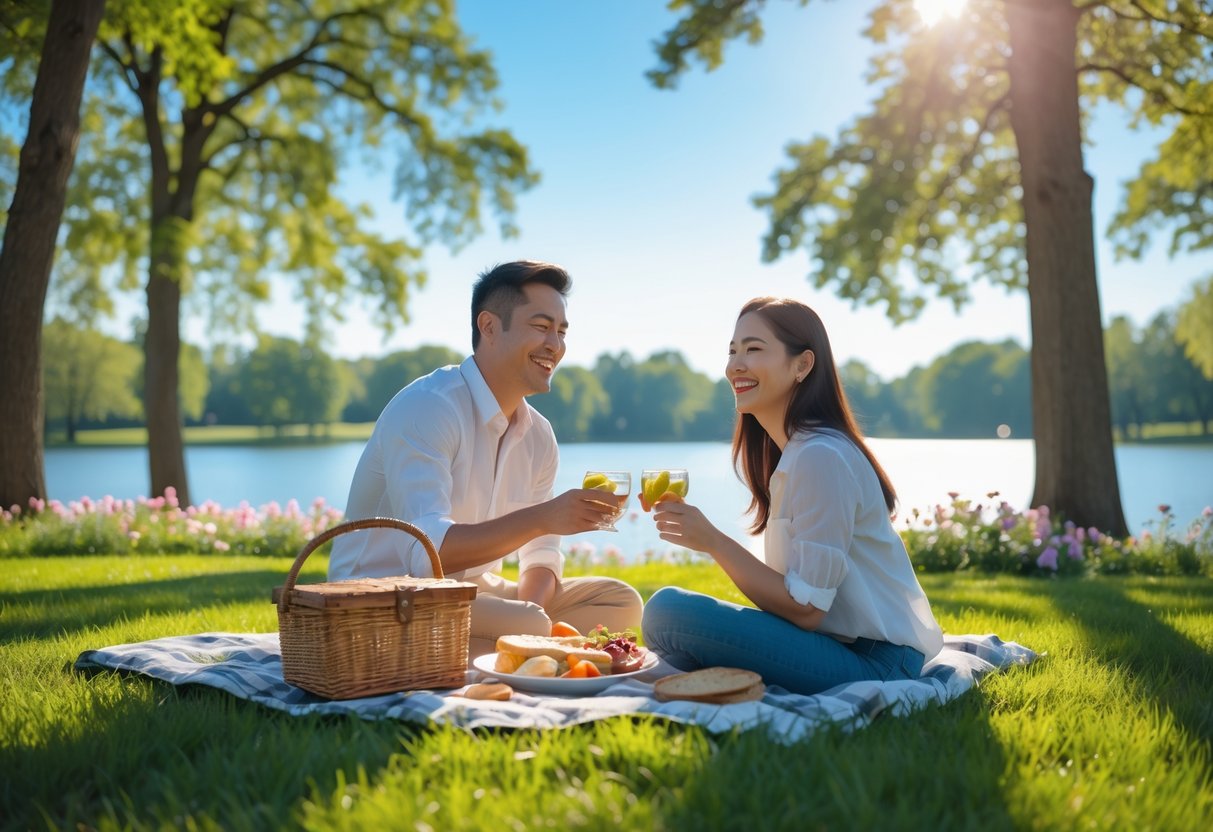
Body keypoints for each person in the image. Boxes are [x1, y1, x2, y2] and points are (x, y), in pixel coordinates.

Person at [329, 260, 643, 658]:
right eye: (541, 327)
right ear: (490, 327)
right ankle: (521, 648)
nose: (555, 345)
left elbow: (541, 557)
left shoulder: (539, 436)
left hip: (467, 594)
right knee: (528, 621)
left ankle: (515, 649)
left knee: (621, 602)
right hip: (381, 595)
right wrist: (544, 518)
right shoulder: (430, 407)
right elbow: (429, 554)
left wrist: (532, 612)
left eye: (562, 332)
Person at [641, 297, 943, 694]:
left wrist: (713, 541)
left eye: (753, 349)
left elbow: (806, 610)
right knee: (672, 640)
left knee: (668, 611)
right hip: (834, 648)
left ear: (802, 365)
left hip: (877, 663)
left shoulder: (821, 456)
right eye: (732, 351)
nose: (735, 365)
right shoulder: (796, 452)